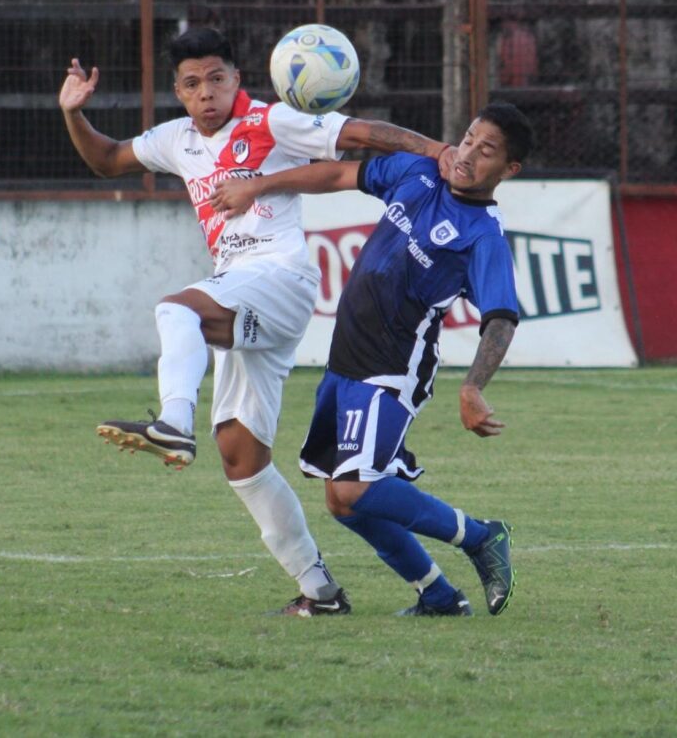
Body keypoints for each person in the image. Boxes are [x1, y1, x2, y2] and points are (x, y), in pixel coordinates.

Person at [58, 26, 453, 617]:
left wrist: (439, 152)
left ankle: (171, 421)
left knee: (175, 310)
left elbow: (360, 133)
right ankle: (322, 594)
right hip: (241, 292)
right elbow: (108, 159)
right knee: (242, 458)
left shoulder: (272, 121)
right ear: (179, 91)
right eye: (192, 84)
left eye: (217, 79)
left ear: (237, 79)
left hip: (281, 278)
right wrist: (72, 115)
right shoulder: (177, 140)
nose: (206, 93)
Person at [210, 101, 534, 617]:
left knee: (356, 486)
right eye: (469, 138)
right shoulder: (418, 171)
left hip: (393, 366)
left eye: (486, 150)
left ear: (509, 170)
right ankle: (439, 596)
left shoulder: (483, 237)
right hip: (344, 360)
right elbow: (338, 171)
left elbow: (501, 317)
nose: (469, 153)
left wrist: (474, 386)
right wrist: (257, 185)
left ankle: (481, 536)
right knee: (342, 502)